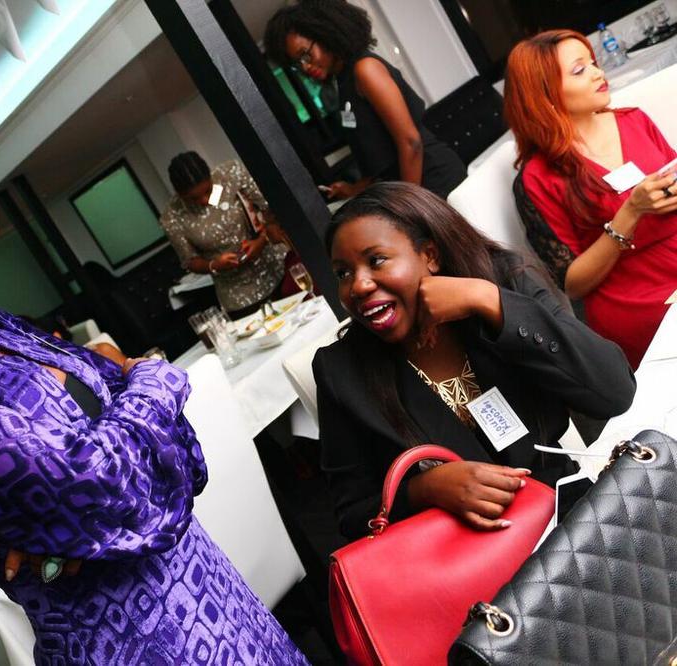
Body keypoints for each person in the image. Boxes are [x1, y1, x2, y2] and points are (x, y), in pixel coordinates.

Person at [0, 94, 308, 665]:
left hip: (211, 590)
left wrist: (81, 508)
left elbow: (173, 468)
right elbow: (105, 488)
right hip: (135, 643)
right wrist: (154, 382)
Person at [313, 182, 634, 543]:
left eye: (376, 261)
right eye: (343, 273)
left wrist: (488, 302)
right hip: (468, 556)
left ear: (430, 255)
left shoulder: (500, 283)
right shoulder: (341, 370)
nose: (358, 286)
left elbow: (614, 392)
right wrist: (424, 489)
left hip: (570, 518)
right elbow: (353, 515)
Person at [504, 29, 677, 368]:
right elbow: (573, 284)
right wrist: (631, 211)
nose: (599, 73)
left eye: (594, 63)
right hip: (638, 300)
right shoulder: (538, 178)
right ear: (546, 95)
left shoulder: (634, 120)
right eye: (580, 70)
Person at [264, 0, 466, 200]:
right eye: (297, 63)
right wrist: (353, 189)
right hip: (415, 190)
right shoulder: (344, 82)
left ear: (324, 33)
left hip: (436, 183)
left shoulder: (365, 69)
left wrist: (405, 207)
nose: (305, 67)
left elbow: (411, 143)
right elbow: (384, 163)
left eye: (305, 55)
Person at [159, 152, 287, 318]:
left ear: (210, 176)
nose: (204, 200)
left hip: (278, 270)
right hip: (239, 298)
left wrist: (262, 240)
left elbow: (270, 209)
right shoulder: (171, 216)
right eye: (193, 198)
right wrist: (214, 265)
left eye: (208, 190)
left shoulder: (230, 175)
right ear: (179, 194)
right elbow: (190, 261)